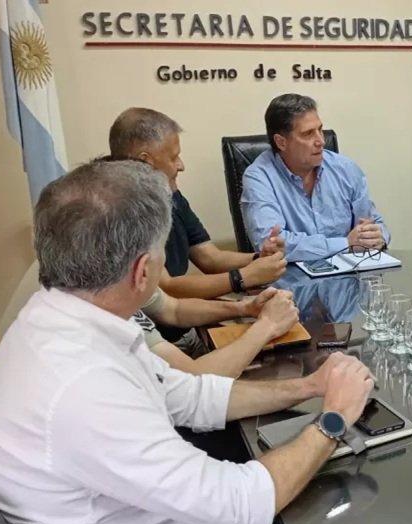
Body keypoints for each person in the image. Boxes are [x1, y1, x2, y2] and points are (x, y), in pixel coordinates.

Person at [0, 159, 375, 524]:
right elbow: (239, 504)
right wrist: (333, 419)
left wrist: (310, 386)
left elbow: (188, 394)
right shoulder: (83, 388)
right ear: (142, 271)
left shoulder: (65, 321)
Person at [108, 108, 288, 346]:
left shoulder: (170, 195)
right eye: (173, 157)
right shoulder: (119, 213)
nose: (180, 166)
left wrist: (257, 259)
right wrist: (242, 278)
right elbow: (168, 288)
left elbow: (209, 257)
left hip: (187, 328)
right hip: (156, 343)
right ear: (145, 161)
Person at [241, 94, 391, 262]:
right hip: (290, 282)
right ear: (281, 142)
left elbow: (373, 223)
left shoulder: (346, 169)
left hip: (349, 279)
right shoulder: (259, 177)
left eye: (320, 130)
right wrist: (345, 244)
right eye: (308, 134)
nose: (321, 141)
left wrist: (378, 236)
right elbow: (271, 245)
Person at [137, 287, 299, 378]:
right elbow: (194, 379)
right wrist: (269, 324)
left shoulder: (123, 275)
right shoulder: (118, 315)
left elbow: (174, 309)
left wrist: (246, 308)